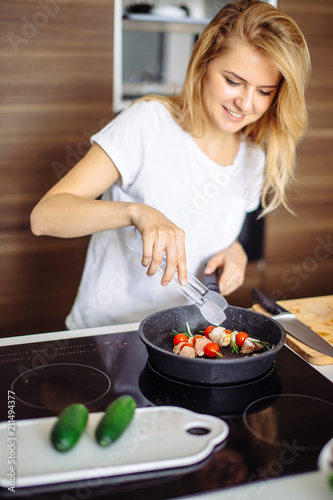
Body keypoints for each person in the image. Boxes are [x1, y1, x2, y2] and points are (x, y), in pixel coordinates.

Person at [30, 0, 311, 329]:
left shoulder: (253, 159)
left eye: (263, 91)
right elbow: (45, 216)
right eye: (233, 82)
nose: (246, 104)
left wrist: (236, 251)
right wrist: (137, 212)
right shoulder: (147, 123)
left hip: (183, 337)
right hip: (107, 335)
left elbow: (208, 225)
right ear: (203, 64)